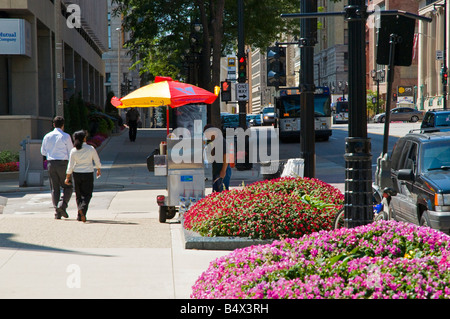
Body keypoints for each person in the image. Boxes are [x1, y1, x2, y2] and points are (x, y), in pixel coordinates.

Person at [41, 116, 74, 219]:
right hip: (62, 163)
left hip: (51, 163)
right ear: (63, 125)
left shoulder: (47, 136)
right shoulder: (66, 136)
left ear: (53, 124)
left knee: (54, 188)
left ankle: (57, 212)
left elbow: (43, 151)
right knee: (68, 186)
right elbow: (71, 151)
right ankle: (62, 206)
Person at [65, 130, 101, 222]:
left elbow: (70, 165)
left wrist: (68, 177)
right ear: (84, 138)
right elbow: (96, 160)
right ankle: (82, 209)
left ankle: (80, 215)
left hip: (76, 174)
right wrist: (98, 169)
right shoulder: (90, 148)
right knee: (87, 194)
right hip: (88, 173)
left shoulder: (73, 150)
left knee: (78, 195)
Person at [203, 124, 230, 192]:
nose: (206, 136)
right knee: (216, 191)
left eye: (206, 134)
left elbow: (226, 156)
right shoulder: (214, 141)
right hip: (216, 170)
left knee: (222, 191)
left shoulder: (221, 140)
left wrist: (223, 171)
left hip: (222, 170)